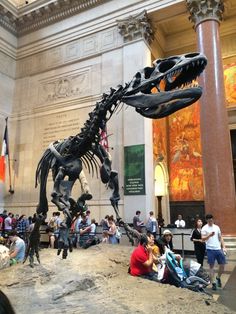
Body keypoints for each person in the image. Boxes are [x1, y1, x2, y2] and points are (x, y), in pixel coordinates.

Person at [201, 214, 227, 291]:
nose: (211, 221)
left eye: (211, 220)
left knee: (222, 265)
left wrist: (224, 247)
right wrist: (209, 235)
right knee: (211, 267)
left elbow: (220, 237)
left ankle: (218, 277)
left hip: (218, 249)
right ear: (206, 220)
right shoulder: (204, 228)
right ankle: (213, 283)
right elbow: (202, 239)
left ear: (213, 219)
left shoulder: (216, 227)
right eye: (209, 220)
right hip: (210, 249)